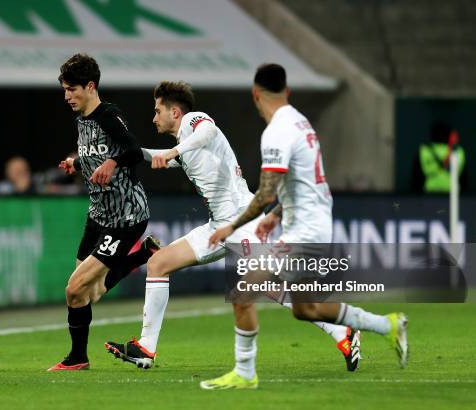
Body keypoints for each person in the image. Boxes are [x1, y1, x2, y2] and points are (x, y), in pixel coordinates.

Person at [105, 81, 360, 372]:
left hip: (241, 220)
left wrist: (173, 152)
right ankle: (146, 348)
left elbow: (208, 131)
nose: (153, 117)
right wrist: (117, 158)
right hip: (217, 226)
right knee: (158, 263)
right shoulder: (186, 146)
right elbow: (150, 155)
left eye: (157, 110)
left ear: (175, 112)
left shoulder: (193, 122)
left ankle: (342, 331)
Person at [203, 64, 408, 390]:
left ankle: (244, 373)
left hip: (305, 231)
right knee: (307, 308)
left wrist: (231, 227)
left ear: (256, 95)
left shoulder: (276, 131)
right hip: (313, 223)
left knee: (243, 292)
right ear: (288, 92)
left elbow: (266, 192)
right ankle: (388, 325)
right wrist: (276, 215)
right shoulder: (301, 122)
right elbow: (306, 183)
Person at [47, 54, 159, 371]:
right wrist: (77, 163)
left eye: (72, 89)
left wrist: (113, 163)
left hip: (125, 218)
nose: (67, 96)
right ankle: (143, 256)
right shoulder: (81, 119)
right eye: (64, 90)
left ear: (91, 86)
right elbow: (96, 153)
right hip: (98, 216)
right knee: (85, 294)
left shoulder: (108, 115)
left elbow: (133, 150)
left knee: (74, 289)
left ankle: (77, 358)